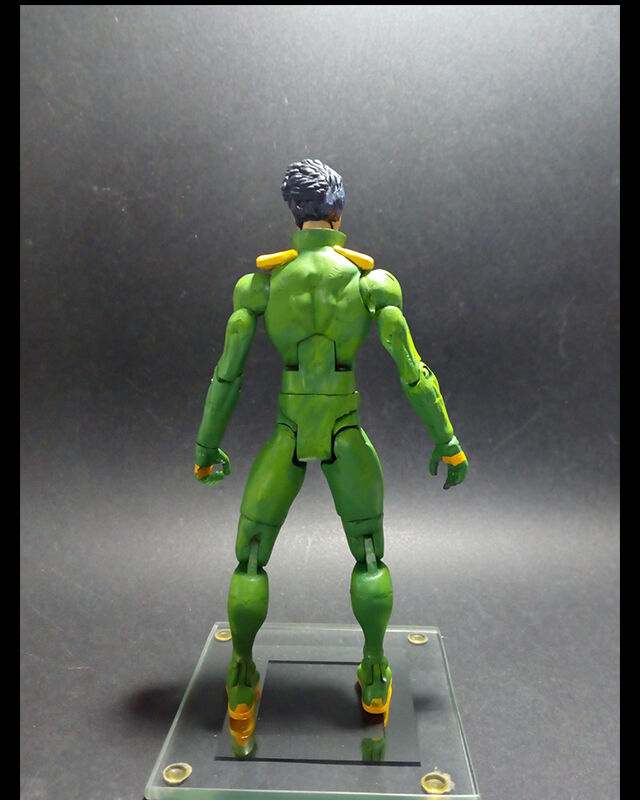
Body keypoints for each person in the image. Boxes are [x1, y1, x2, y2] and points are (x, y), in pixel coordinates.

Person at [194, 158, 467, 732]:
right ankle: (374, 668)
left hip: (288, 430)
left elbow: (227, 375)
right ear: (338, 212)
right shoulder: (370, 284)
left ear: (294, 213)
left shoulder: (261, 286)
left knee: (250, 557)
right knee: (369, 555)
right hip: (345, 430)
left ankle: (241, 672)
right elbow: (412, 370)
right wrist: (447, 440)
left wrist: (206, 448)